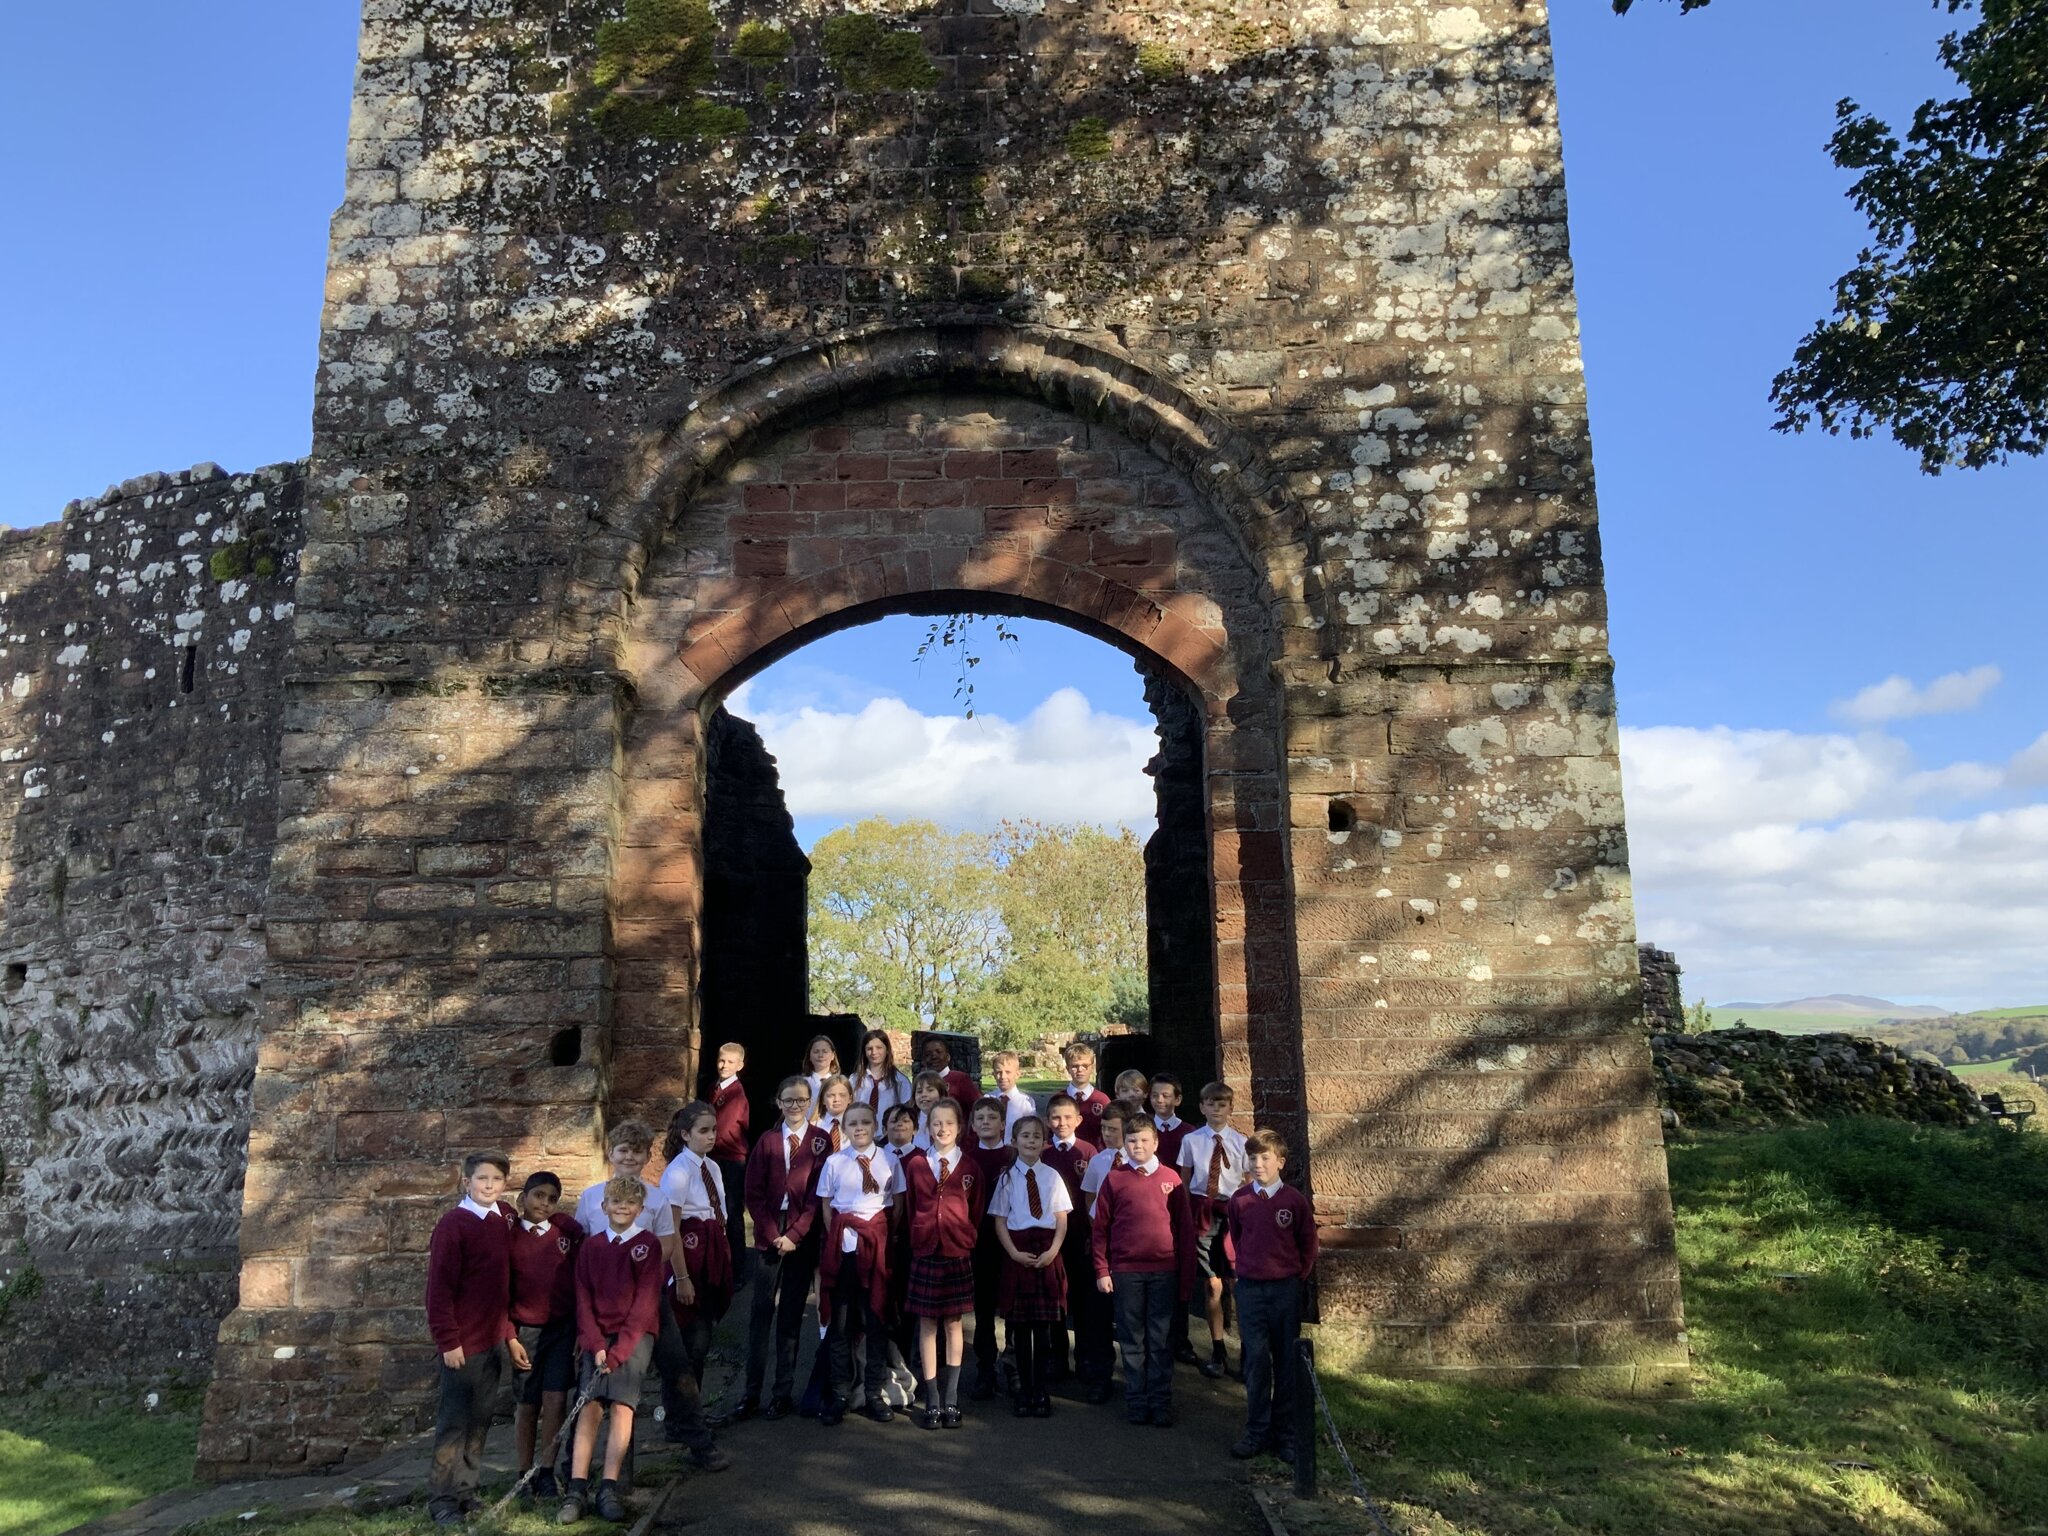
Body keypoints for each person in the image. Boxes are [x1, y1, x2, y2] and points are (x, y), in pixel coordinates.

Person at [424, 1151, 528, 1526]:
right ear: (466, 1182)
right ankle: (441, 1500)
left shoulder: (503, 1218)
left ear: (505, 1184)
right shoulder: (454, 1225)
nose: (489, 1186)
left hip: (491, 1341)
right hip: (462, 1346)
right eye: (482, 1179)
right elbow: (438, 1291)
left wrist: (509, 1335)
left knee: (480, 1421)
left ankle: (466, 1492)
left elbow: (502, 1289)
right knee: (454, 1423)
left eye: (496, 1180)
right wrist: (448, 1341)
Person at [560, 1176, 663, 1525]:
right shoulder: (591, 1247)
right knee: (589, 1406)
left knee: (622, 1407)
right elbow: (583, 1298)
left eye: (630, 1203)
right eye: (616, 1202)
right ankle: (576, 1489)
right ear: (603, 1207)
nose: (622, 1207)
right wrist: (595, 1343)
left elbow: (645, 1303)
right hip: (597, 1337)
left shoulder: (648, 1245)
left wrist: (619, 1351)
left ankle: (609, 1487)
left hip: (632, 1339)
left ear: (639, 1209)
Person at [731, 1076, 833, 1422]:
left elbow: (820, 1193)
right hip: (769, 1234)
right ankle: (751, 1392)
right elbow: (753, 1191)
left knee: (790, 1316)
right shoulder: (768, 1141)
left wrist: (796, 1234)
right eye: (788, 1101)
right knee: (761, 1313)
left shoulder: (820, 1141)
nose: (794, 1107)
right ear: (779, 1103)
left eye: (801, 1101)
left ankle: (782, 1392)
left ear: (810, 1103)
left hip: (800, 1237)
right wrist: (772, 1231)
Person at [1092, 1112, 1196, 1427]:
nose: (1138, 1145)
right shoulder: (1114, 1179)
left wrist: (1186, 1280)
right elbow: (1101, 1229)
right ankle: (1137, 1400)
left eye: (1144, 1140)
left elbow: (1185, 1230)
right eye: (1132, 1140)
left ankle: (1160, 1401)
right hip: (1126, 1271)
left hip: (1164, 1270)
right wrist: (1102, 1269)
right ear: (1124, 1143)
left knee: (1160, 1338)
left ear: (1156, 1142)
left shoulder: (1172, 1179)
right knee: (1132, 1337)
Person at [1226, 1129, 1319, 1464]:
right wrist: (1244, 1268)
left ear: (1280, 1161)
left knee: (1286, 1361)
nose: (1258, 1164)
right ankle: (1256, 1430)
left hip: (1285, 1289)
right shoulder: (1240, 1200)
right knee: (1255, 1361)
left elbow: (1307, 1243)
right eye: (1253, 1158)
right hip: (1251, 1289)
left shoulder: (1293, 1201)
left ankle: (1287, 1435)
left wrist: (1295, 1275)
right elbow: (1236, 1238)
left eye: (1265, 1158)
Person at [656, 1102, 735, 1471]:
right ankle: (680, 1420)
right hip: (689, 1254)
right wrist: (682, 1277)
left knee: (703, 1341)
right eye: (703, 1131)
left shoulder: (712, 1167)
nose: (711, 1136)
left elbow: (718, 1215)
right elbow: (670, 1227)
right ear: (686, 1134)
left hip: (711, 1250)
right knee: (690, 1344)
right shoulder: (678, 1171)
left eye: (713, 1130)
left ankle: (693, 1412)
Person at [814, 1103, 901, 1425]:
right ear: (845, 1128)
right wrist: (838, 1237)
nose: (860, 1128)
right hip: (844, 1249)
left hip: (875, 1248)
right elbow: (826, 1206)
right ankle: (839, 1392)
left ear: (875, 1125)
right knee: (841, 1323)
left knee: (875, 1319)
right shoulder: (835, 1162)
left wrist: (881, 1236)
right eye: (853, 1123)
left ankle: (874, 1392)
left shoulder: (889, 1160)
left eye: (865, 1122)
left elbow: (898, 1202)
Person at [901, 1098, 985, 1428]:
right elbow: (910, 1206)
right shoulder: (917, 1165)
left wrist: (965, 1236)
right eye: (936, 1123)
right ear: (927, 1127)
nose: (942, 1129)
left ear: (960, 1128)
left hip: (956, 1253)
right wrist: (922, 1234)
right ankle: (932, 1398)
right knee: (927, 1325)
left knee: (953, 1325)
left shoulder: (970, 1167)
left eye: (949, 1123)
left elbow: (975, 1210)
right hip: (926, 1251)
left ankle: (951, 1397)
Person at [991, 1114, 1072, 1417]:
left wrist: (1054, 1251)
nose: (1031, 1141)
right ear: (1014, 1141)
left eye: (1037, 1137)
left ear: (1044, 1143)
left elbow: (1062, 1217)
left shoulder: (1052, 1176)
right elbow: (999, 1220)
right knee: (1021, 1331)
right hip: (1019, 1254)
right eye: (1025, 1136)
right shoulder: (1007, 1178)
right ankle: (1024, 1390)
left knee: (1044, 1330)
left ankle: (1041, 1391)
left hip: (1047, 1252)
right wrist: (1012, 1253)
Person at [507, 1171, 581, 1502]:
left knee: (556, 1400)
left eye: (552, 1198)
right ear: (523, 1198)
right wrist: (510, 1335)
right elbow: (501, 1292)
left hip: (562, 1328)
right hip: (526, 1331)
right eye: (538, 1195)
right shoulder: (509, 1237)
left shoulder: (565, 1235)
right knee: (527, 1403)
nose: (545, 1203)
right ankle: (524, 1473)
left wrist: (580, 1328)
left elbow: (581, 1282)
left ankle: (548, 1471)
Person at [1177, 1081, 1248, 1380]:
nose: (1217, 1109)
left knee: (1238, 1284)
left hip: (1232, 1213)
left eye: (1222, 1104)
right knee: (1213, 1285)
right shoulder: (1192, 1141)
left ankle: (1247, 1352)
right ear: (1202, 1107)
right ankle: (1218, 1350)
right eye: (1211, 1104)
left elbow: (1246, 1181)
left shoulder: (1242, 1141)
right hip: (1203, 1211)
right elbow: (1184, 1179)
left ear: (1231, 1108)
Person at [1040, 1093, 1098, 1388]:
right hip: (1051, 1237)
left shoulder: (1089, 1152)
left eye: (1067, 1118)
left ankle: (1085, 1358)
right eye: (1055, 1118)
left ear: (1078, 1120)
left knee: (1083, 1300)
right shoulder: (1043, 1151)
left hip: (1080, 1236)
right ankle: (1057, 1356)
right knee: (1055, 1299)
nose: (1061, 1123)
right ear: (1047, 1121)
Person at [1075, 1106, 1127, 1403]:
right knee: (1098, 1315)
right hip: (1102, 1245)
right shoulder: (1098, 1161)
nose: (1107, 1134)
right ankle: (1100, 1376)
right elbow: (1090, 1199)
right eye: (1105, 1129)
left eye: (1114, 1129)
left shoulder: (1136, 1162)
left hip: (1130, 1246)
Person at [965, 1096, 1015, 1399]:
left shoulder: (1013, 1156)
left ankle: (1013, 1364)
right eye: (980, 1117)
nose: (986, 1122)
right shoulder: (967, 1158)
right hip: (978, 1240)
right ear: (972, 1125)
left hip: (1010, 1241)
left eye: (991, 1117)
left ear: (1002, 1123)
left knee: (1011, 1305)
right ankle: (986, 1368)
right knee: (983, 1309)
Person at [709, 1042, 752, 1280]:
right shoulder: (715, 1088)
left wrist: (701, 1143)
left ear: (740, 1065)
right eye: (721, 1060)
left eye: (730, 1062)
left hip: (730, 1160)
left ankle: (738, 1270)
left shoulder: (736, 1095)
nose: (724, 1066)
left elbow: (725, 1131)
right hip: (716, 1158)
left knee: (733, 1213)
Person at [855, 1028, 914, 1116]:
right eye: (869, 1048)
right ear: (864, 1051)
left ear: (887, 1050)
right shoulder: (854, 1080)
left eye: (879, 1048)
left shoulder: (901, 1082)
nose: (874, 1052)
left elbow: (907, 1114)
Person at [919, 1036, 981, 1118]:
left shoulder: (960, 1079)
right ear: (923, 1060)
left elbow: (979, 1108)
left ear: (948, 1057)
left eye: (938, 1052)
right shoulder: (920, 1083)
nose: (934, 1056)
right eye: (928, 1054)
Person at [1060, 1040, 1113, 1128]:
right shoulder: (1059, 1099)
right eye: (1075, 1066)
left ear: (1092, 1067)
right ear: (1067, 1068)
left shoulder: (1102, 1100)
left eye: (1085, 1066)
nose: (1080, 1069)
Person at [987, 1049, 1037, 1136]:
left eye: (1008, 1072)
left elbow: (1031, 1130)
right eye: (999, 1072)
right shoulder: (987, 1099)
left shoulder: (1026, 1103)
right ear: (994, 1075)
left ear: (1017, 1074)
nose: (1003, 1076)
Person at [1149, 1072, 1192, 1167]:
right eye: (1155, 1095)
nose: (1159, 1100)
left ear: (1178, 1099)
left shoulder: (1189, 1132)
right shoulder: (1144, 1130)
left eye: (1166, 1096)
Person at [812, 1074, 853, 1151]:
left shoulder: (857, 1127)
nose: (836, 1099)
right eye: (831, 1095)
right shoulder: (813, 1127)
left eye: (842, 1095)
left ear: (850, 1099)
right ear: (823, 1100)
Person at [802, 1034, 843, 1108]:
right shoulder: (802, 1084)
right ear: (809, 1056)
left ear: (833, 1055)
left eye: (825, 1051)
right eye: (816, 1052)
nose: (821, 1055)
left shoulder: (841, 1083)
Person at [908, 1070, 948, 1148]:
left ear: (941, 1094)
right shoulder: (910, 1121)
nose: (924, 1095)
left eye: (930, 1090)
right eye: (919, 1092)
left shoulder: (950, 1120)